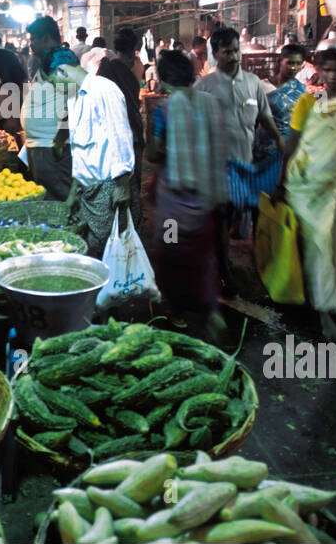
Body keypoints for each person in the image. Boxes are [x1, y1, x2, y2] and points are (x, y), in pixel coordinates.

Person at [273, 46, 336, 340]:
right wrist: (280, 184)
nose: (332, 75)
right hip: (306, 182)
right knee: (319, 247)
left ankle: (332, 296)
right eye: (327, 69)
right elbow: (292, 145)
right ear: (320, 72)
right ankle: (325, 315)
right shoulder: (308, 103)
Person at [144, 51, 227, 338]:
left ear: (164, 79)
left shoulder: (165, 111)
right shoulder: (211, 105)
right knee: (204, 255)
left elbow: (154, 153)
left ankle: (174, 309)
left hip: (173, 205)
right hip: (204, 199)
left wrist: (166, 148)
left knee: (169, 251)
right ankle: (212, 312)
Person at [195, 26, 284, 293]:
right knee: (222, 218)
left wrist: (281, 145)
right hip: (219, 168)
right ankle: (224, 273)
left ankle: (261, 268)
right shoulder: (204, 87)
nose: (234, 56)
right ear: (215, 53)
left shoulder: (253, 83)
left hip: (248, 165)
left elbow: (265, 119)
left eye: (236, 50)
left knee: (254, 216)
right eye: (227, 52)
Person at [41, 48, 135, 257]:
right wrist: (75, 191)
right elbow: (80, 149)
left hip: (108, 189)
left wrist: (122, 184)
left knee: (110, 251)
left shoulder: (103, 90)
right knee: (97, 248)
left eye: (54, 83)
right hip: (89, 191)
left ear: (63, 72)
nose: (56, 89)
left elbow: (120, 134)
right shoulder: (74, 99)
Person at [98, 27, 146, 230]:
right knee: (133, 176)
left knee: (117, 174)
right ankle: (131, 221)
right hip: (131, 127)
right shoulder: (136, 66)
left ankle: (120, 220)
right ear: (135, 47)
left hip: (113, 128)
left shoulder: (107, 66)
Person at [23, 15, 73, 201]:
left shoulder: (62, 62)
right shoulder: (48, 62)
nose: (31, 44)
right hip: (43, 144)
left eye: (34, 39)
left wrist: (59, 140)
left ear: (46, 38)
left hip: (52, 147)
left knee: (59, 196)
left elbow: (72, 101)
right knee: (48, 194)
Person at [0, 28, 27, 139]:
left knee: (11, 144)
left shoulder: (8, 57)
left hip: (9, 113)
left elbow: (22, 82)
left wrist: (16, 115)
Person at [261, 44, 309, 140]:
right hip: (265, 147)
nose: (294, 68)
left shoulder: (302, 90)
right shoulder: (261, 86)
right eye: (290, 63)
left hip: (290, 146)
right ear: (279, 62)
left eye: (298, 63)